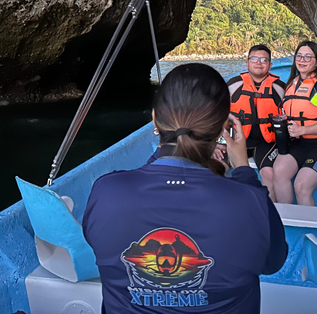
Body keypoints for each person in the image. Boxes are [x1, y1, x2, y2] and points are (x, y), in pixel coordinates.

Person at [82, 63, 288, 313]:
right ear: (224, 126)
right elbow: (273, 262)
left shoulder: (106, 192)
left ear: (155, 118)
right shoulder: (249, 201)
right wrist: (243, 169)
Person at [272, 41, 317, 206]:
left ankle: (309, 228)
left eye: (308, 57)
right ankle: (287, 221)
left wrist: (302, 129)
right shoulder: (292, 84)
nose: (302, 60)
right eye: (299, 56)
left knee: (301, 186)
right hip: (300, 144)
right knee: (279, 171)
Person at [217, 45, 285, 201]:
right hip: (238, 139)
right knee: (218, 167)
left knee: (268, 173)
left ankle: (269, 212)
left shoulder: (279, 87)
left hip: (267, 141)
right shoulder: (233, 85)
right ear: (247, 63)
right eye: (254, 59)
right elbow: (221, 117)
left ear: (270, 65)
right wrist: (220, 142)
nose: (259, 63)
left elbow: (287, 116)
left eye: (264, 60)